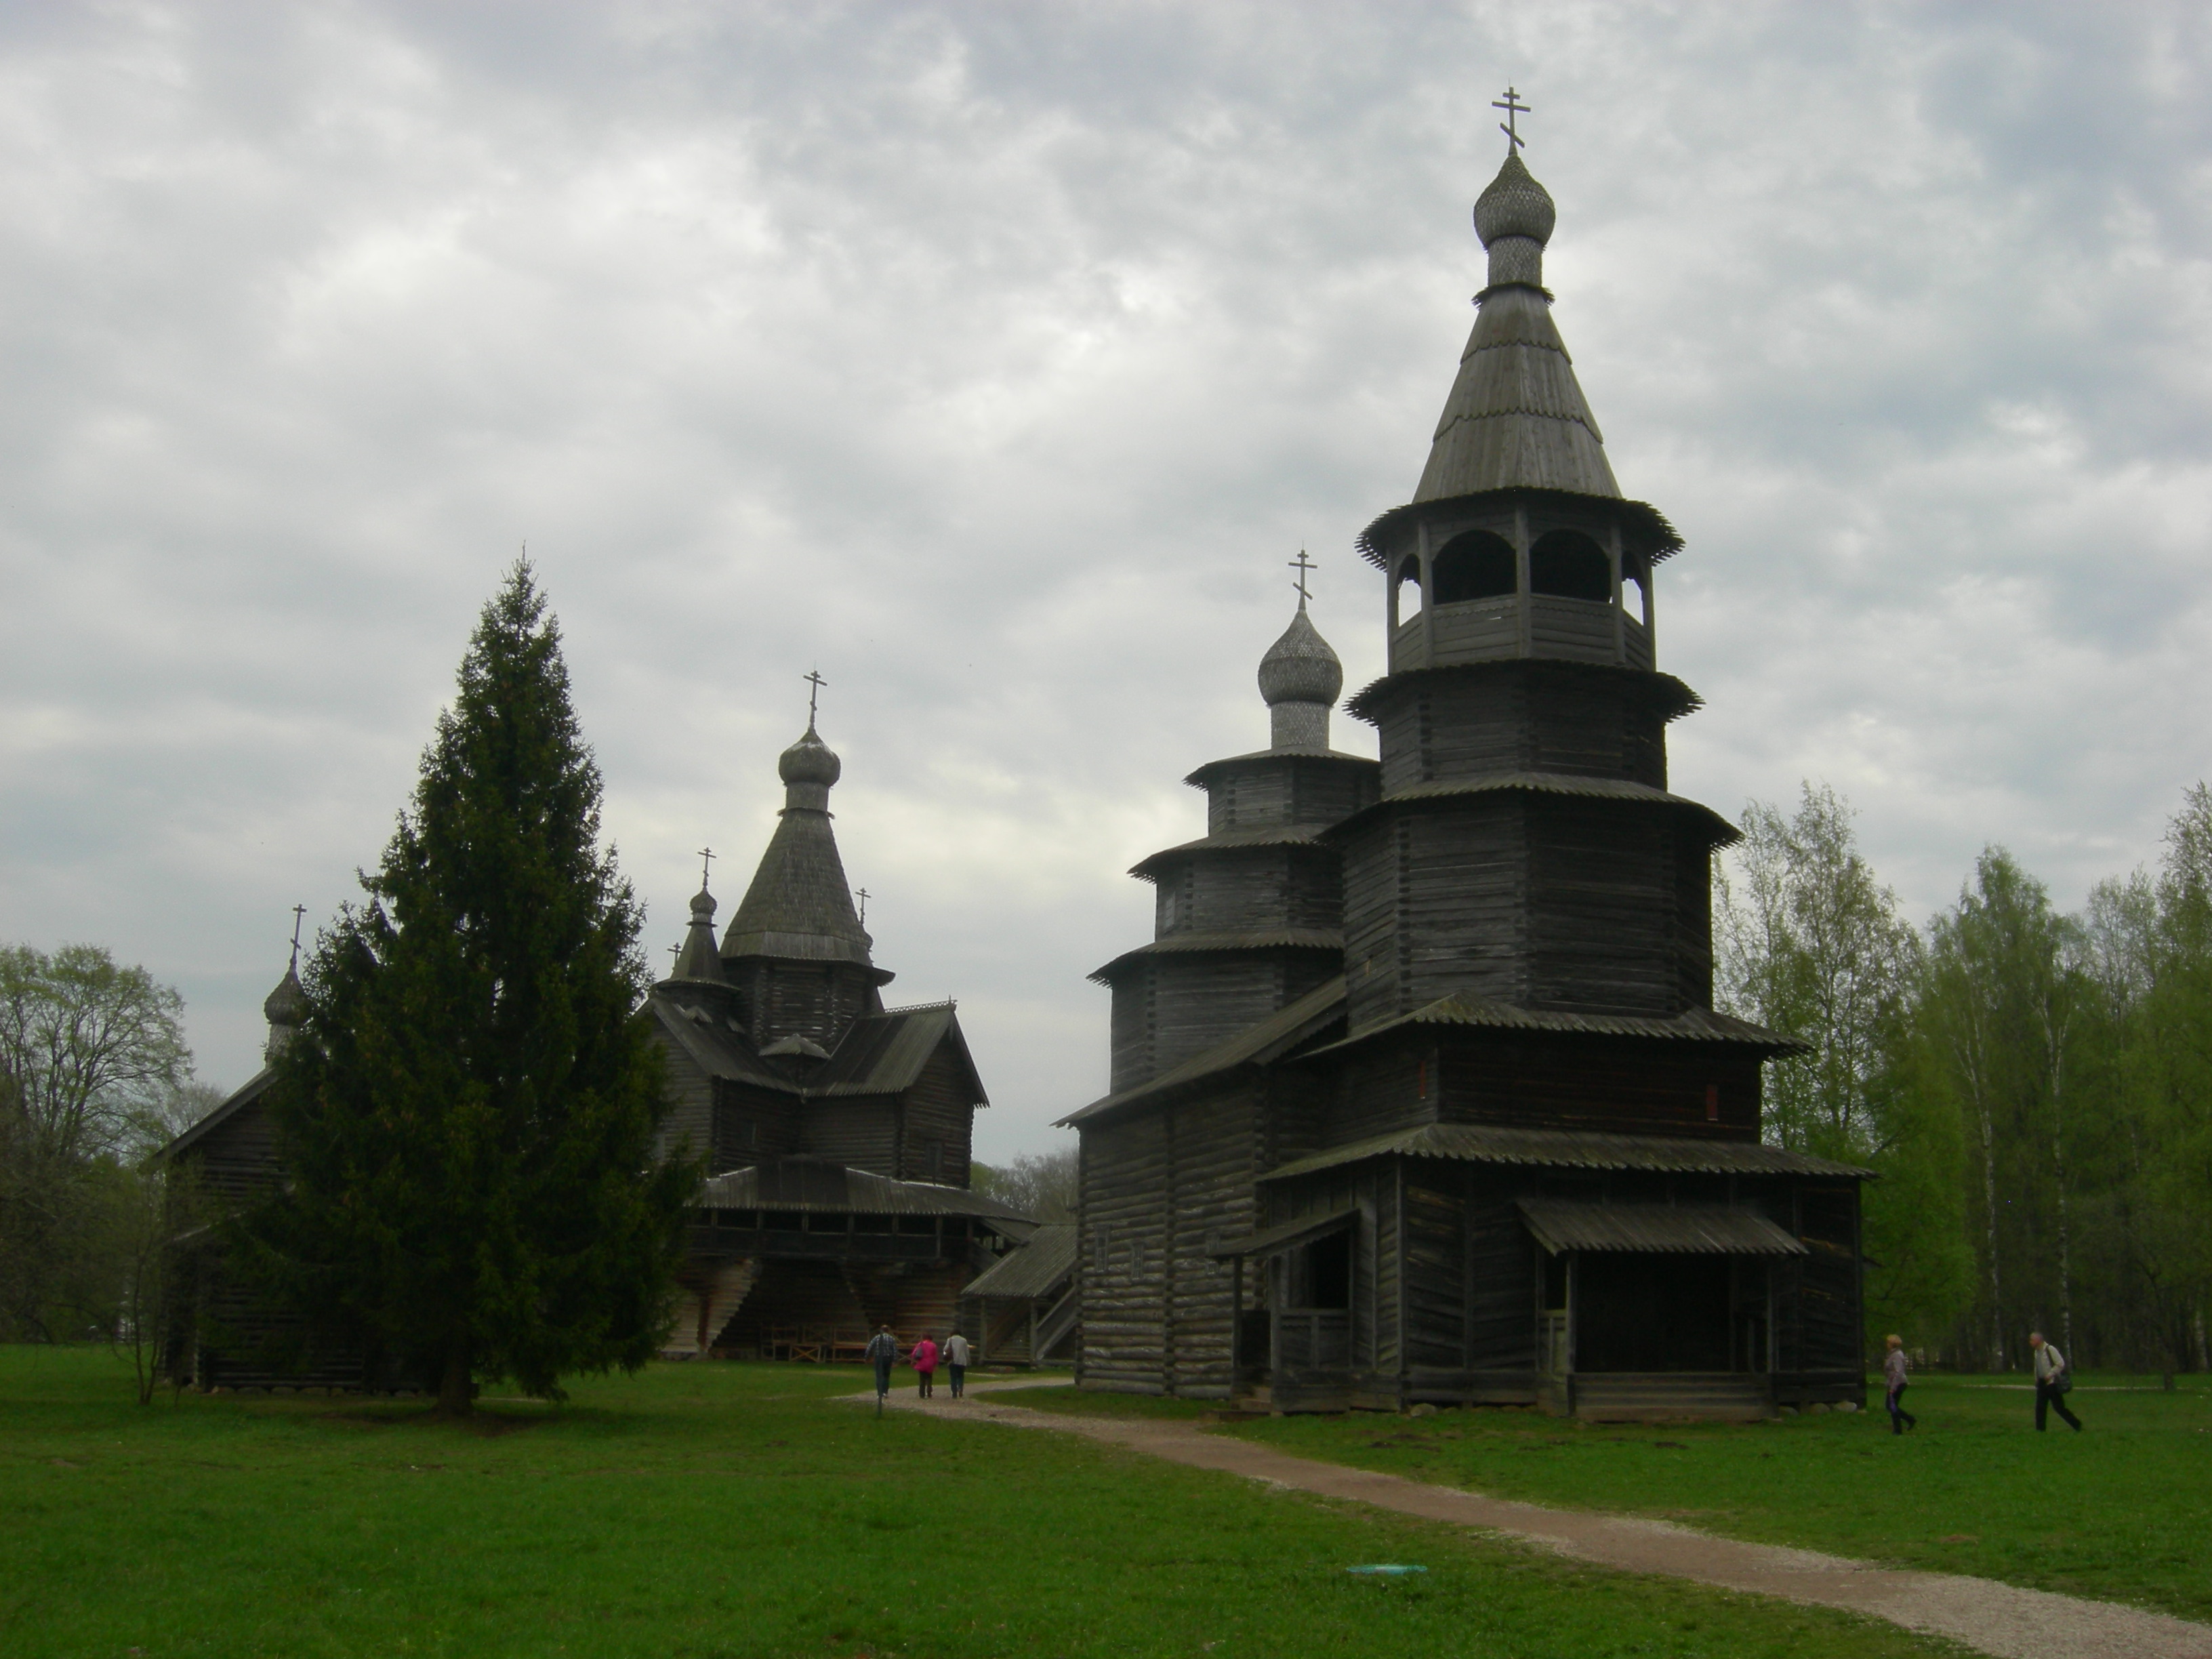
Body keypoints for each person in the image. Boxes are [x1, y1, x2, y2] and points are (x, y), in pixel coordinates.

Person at [2028, 1331, 2083, 1432]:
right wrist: (2037, 1379)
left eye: (2032, 1340)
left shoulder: (2050, 1349)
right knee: (2040, 1408)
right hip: (2042, 1384)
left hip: (2052, 1383)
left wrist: (2050, 1375)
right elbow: (2037, 1367)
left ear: (2038, 1340)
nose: (2030, 1342)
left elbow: (2060, 1364)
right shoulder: (2037, 1352)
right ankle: (2040, 1430)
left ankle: (2077, 1424)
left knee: (2059, 1408)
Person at [1882, 1334, 1917, 1433]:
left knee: (1891, 1406)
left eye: (1888, 1342)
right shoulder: (1892, 1354)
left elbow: (1899, 1372)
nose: (1886, 1344)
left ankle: (1899, 1429)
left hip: (1898, 1383)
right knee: (1892, 1406)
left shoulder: (1897, 1355)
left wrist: (1893, 1387)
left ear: (1892, 1344)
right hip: (1894, 1383)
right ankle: (1908, 1421)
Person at [863, 1324, 899, 1412]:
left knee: (879, 1375)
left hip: (879, 1357)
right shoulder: (891, 1339)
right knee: (886, 1375)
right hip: (888, 1358)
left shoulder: (877, 1338)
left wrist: (867, 1357)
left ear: (881, 1330)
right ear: (888, 1330)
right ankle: (885, 1392)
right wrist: (895, 1361)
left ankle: (879, 1392)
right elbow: (895, 1350)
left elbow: (870, 1347)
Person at [943, 1330, 972, 1399]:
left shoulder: (950, 1340)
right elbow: (966, 1352)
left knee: (953, 1377)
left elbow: (945, 1349)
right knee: (961, 1376)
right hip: (962, 1361)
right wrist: (968, 1361)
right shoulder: (964, 1340)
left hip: (953, 1361)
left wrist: (946, 1355)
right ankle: (960, 1388)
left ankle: (954, 1393)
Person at [911, 1332, 939, 1399]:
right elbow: (935, 1356)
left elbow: (914, 1353)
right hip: (930, 1364)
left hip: (922, 1363)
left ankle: (922, 1394)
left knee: (922, 1379)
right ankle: (929, 1391)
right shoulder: (933, 1345)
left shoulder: (920, 1344)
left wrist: (912, 1362)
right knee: (929, 1378)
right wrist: (936, 1365)